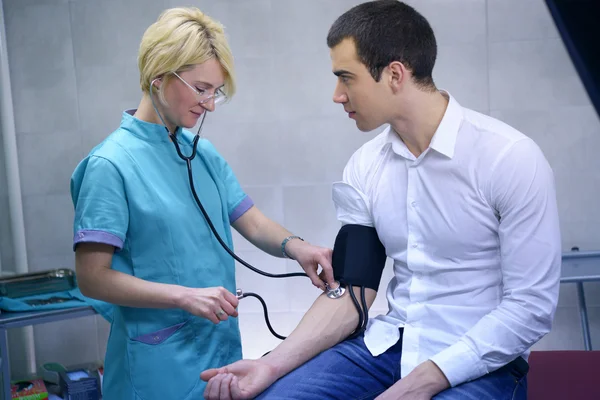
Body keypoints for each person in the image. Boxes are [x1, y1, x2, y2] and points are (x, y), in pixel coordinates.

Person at [200, 1, 561, 399]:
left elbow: (530, 309)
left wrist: (419, 384)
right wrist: (271, 365)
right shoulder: (366, 165)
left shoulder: (510, 157)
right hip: (389, 346)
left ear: (394, 74)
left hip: (483, 360)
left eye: (346, 78)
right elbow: (354, 292)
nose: (337, 95)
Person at [70, 7, 334, 400]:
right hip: (156, 365)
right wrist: (184, 295)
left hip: (219, 348)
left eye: (216, 92)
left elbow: (252, 222)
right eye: (200, 88)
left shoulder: (202, 154)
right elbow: (92, 277)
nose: (210, 104)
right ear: (158, 76)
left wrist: (299, 248)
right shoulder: (110, 165)